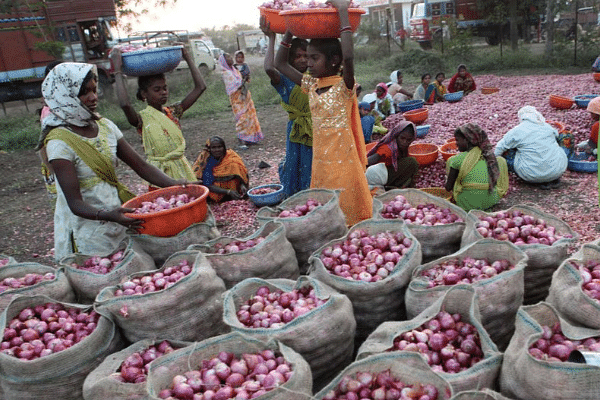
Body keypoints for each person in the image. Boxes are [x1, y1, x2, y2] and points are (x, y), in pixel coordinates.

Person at [39, 63, 187, 260]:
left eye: (94, 90)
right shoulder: (59, 142)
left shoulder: (105, 126)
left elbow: (140, 165)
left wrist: (177, 185)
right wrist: (108, 215)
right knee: (101, 269)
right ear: (65, 96)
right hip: (88, 223)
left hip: (115, 211)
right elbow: (74, 203)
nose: (93, 97)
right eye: (84, 93)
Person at [274, 0, 372, 226]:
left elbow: (348, 57)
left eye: (314, 58)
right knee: (328, 213)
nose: (308, 63)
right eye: (307, 57)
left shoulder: (344, 86)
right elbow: (279, 63)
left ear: (333, 60)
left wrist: (342, 12)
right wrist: (291, 27)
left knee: (350, 213)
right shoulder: (311, 85)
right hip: (321, 162)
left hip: (344, 162)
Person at [111, 47, 204, 188]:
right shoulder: (141, 119)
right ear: (144, 94)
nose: (163, 93)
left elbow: (200, 87)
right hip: (158, 175)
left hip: (181, 170)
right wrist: (117, 70)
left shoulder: (173, 112)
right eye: (157, 90)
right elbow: (125, 104)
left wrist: (188, 57)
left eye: (164, 88)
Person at [262, 19, 313, 197]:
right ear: (290, 59)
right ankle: (295, 198)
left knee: (313, 164)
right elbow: (269, 67)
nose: (303, 60)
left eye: (306, 56)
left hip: (317, 128)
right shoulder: (286, 78)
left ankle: (312, 197)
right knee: (294, 163)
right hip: (296, 129)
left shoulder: (316, 76)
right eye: (298, 56)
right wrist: (272, 38)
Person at [494, 105, 567, 190]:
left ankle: (538, 178)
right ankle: (550, 177)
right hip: (556, 172)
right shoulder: (547, 127)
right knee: (565, 138)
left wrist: (493, 163)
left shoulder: (517, 131)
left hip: (530, 175)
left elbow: (499, 148)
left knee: (508, 151)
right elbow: (556, 135)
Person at [445, 123, 509, 211]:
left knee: (451, 162)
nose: (456, 144)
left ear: (467, 140)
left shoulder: (457, 159)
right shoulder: (489, 156)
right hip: (490, 201)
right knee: (500, 160)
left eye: (458, 140)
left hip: (466, 204)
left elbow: (448, 188)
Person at [218, 53, 264, 149]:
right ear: (224, 62)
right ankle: (241, 140)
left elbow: (241, 81)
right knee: (242, 118)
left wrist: (246, 78)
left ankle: (250, 139)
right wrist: (244, 80)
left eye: (230, 57)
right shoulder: (226, 73)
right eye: (229, 58)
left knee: (250, 117)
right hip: (237, 100)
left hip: (244, 97)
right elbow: (235, 85)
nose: (231, 59)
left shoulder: (234, 70)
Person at [192, 136, 249, 202]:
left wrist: (242, 185)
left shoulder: (231, 157)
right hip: (215, 189)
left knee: (235, 170)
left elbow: (241, 173)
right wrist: (228, 192)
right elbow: (208, 184)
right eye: (214, 147)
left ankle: (237, 193)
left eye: (219, 147)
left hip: (232, 187)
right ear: (209, 149)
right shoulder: (206, 161)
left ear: (224, 147)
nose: (217, 150)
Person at [366, 120, 419, 190]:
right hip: (378, 177)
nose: (404, 142)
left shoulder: (401, 148)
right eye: (402, 138)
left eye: (408, 140)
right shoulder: (388, 148)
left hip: (388, 173)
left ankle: (395, 186)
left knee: (410, 172)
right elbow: (368, 161)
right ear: (397, 135)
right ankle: (391, 187)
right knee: (412, 162)